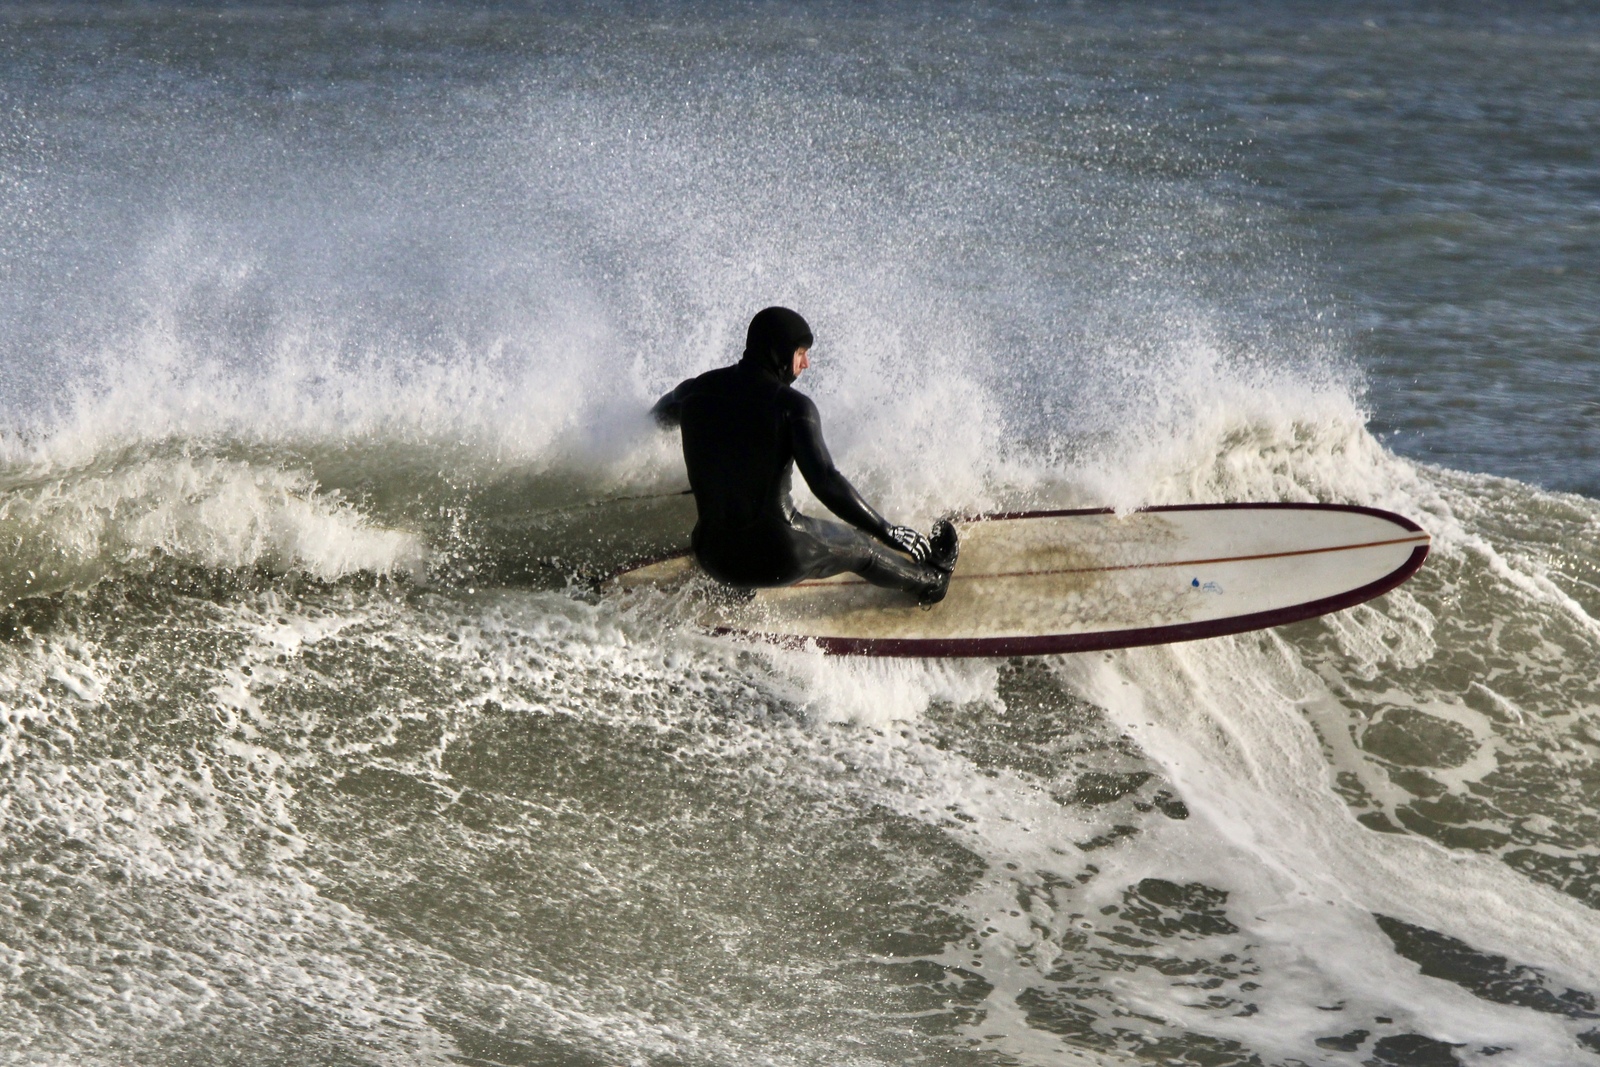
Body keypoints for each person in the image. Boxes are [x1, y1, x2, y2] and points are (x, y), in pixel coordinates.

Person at [652, 306, 958, 605]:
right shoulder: (791, 406)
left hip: (713, 557)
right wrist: (886, 530)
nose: (806, 364)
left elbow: (652, 420)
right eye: (800, 353)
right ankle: (932, 584)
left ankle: (736, 591)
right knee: (860, 547)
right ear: (778, 352)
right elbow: (825, 481)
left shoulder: (692, 393)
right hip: (778, 557)